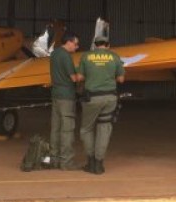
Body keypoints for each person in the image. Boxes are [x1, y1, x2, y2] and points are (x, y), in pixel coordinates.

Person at [76, 36, 125, 175]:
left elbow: (79, 77)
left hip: (92, 98)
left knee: (86, 129)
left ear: (95, 45)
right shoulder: (114, 57)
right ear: (108, 45)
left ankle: (91, 162)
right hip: (110, 98)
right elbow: (121, 79)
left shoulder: (86, 56)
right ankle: (99, 164)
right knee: (104, 129)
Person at [49, 32, 82, 170]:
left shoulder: (54, 54)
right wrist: (82, 74)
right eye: (76, 44)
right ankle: (66, 162)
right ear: (68, 42)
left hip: (56, 94)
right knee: (67, 130)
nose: (77, 47)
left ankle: (54, 160)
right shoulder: (66, 56)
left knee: (55, 129)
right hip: (66, 96)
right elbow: (74, 78)